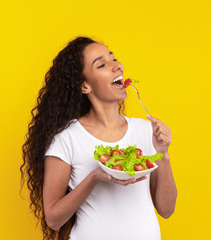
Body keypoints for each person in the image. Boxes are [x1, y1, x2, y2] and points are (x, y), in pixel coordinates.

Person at [21, 36, 177, 240]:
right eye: (102, 64)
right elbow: (53, 219)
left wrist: (162, 154)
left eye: (114, 59)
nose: (117, 66)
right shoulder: (67, 139)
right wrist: (95, 177)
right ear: (85, 86)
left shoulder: (146, 131)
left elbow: (166, 210)